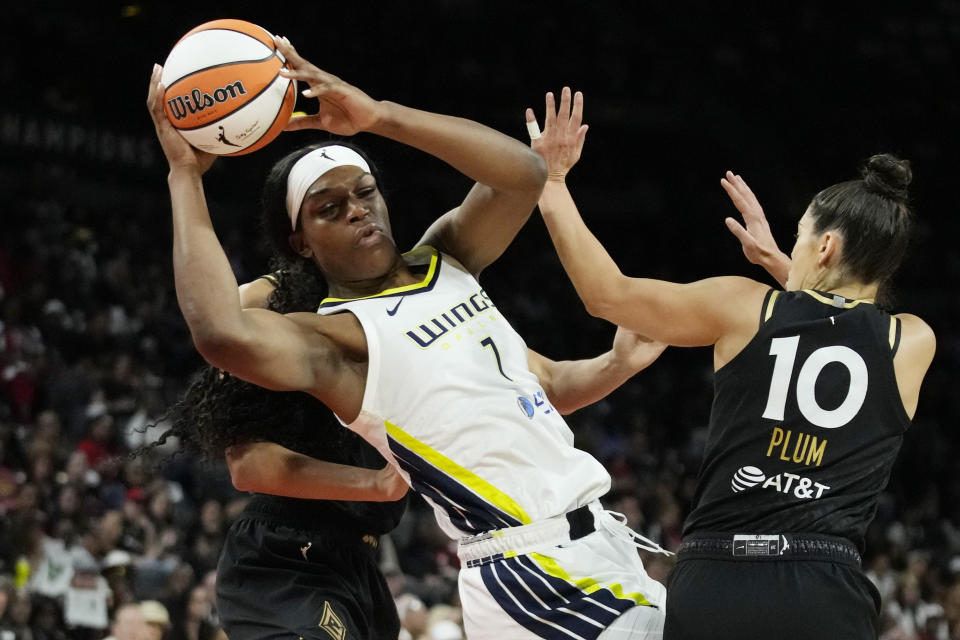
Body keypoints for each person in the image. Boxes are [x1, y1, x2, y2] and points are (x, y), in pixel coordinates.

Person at [147, 36, 670, 639]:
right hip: (533, 571)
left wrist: (378, 116)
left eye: (365, 193)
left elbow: (525, 175)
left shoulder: (447, 261)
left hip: (600, 544)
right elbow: (218, 330)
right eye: (328, 207)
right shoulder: (339, 341)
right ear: (301, 243)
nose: (357, 210)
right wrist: (185, 174)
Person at [525, 88, 936, 639]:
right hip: (825, 589)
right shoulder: (912, 342)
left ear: (825, 248)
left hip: (720, 579)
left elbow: (606, 294)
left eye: (799, 237)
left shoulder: (742, 306)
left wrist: (551, 185)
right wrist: (781, 262)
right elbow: (838, 322)